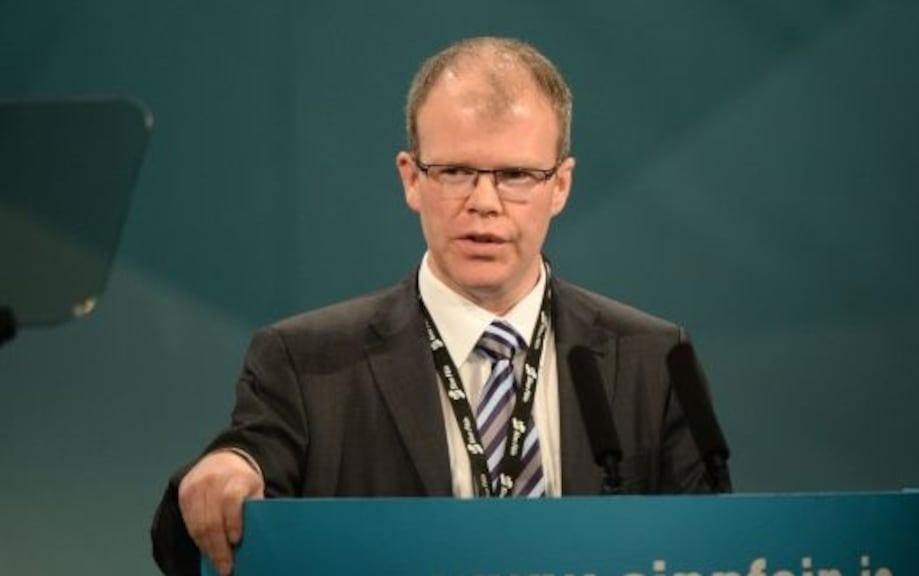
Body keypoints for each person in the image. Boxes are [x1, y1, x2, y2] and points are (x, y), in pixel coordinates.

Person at [151, 36, 727, 576]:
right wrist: (226, 471)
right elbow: (205, 524)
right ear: (411, 178)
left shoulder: (654, 359)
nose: (484, 203)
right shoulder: (307, 361)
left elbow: (720, 549)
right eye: (454, 172)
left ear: (561, 185)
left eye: (517, 175)